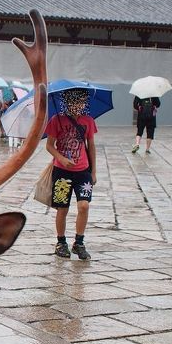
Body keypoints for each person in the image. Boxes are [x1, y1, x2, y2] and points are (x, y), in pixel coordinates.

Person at [45, 89, 97, 261]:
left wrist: (94, 171)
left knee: (84, 206)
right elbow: (49, 145)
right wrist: (61, 158)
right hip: (62, 172)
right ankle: (61, 242)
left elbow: (91, 146)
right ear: (67, 103)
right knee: (62, 208)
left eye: (80, 102)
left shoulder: (88, 121)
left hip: (83, 171)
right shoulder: (56, 120)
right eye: (74, 102)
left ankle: (79, 243)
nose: (77, 106)